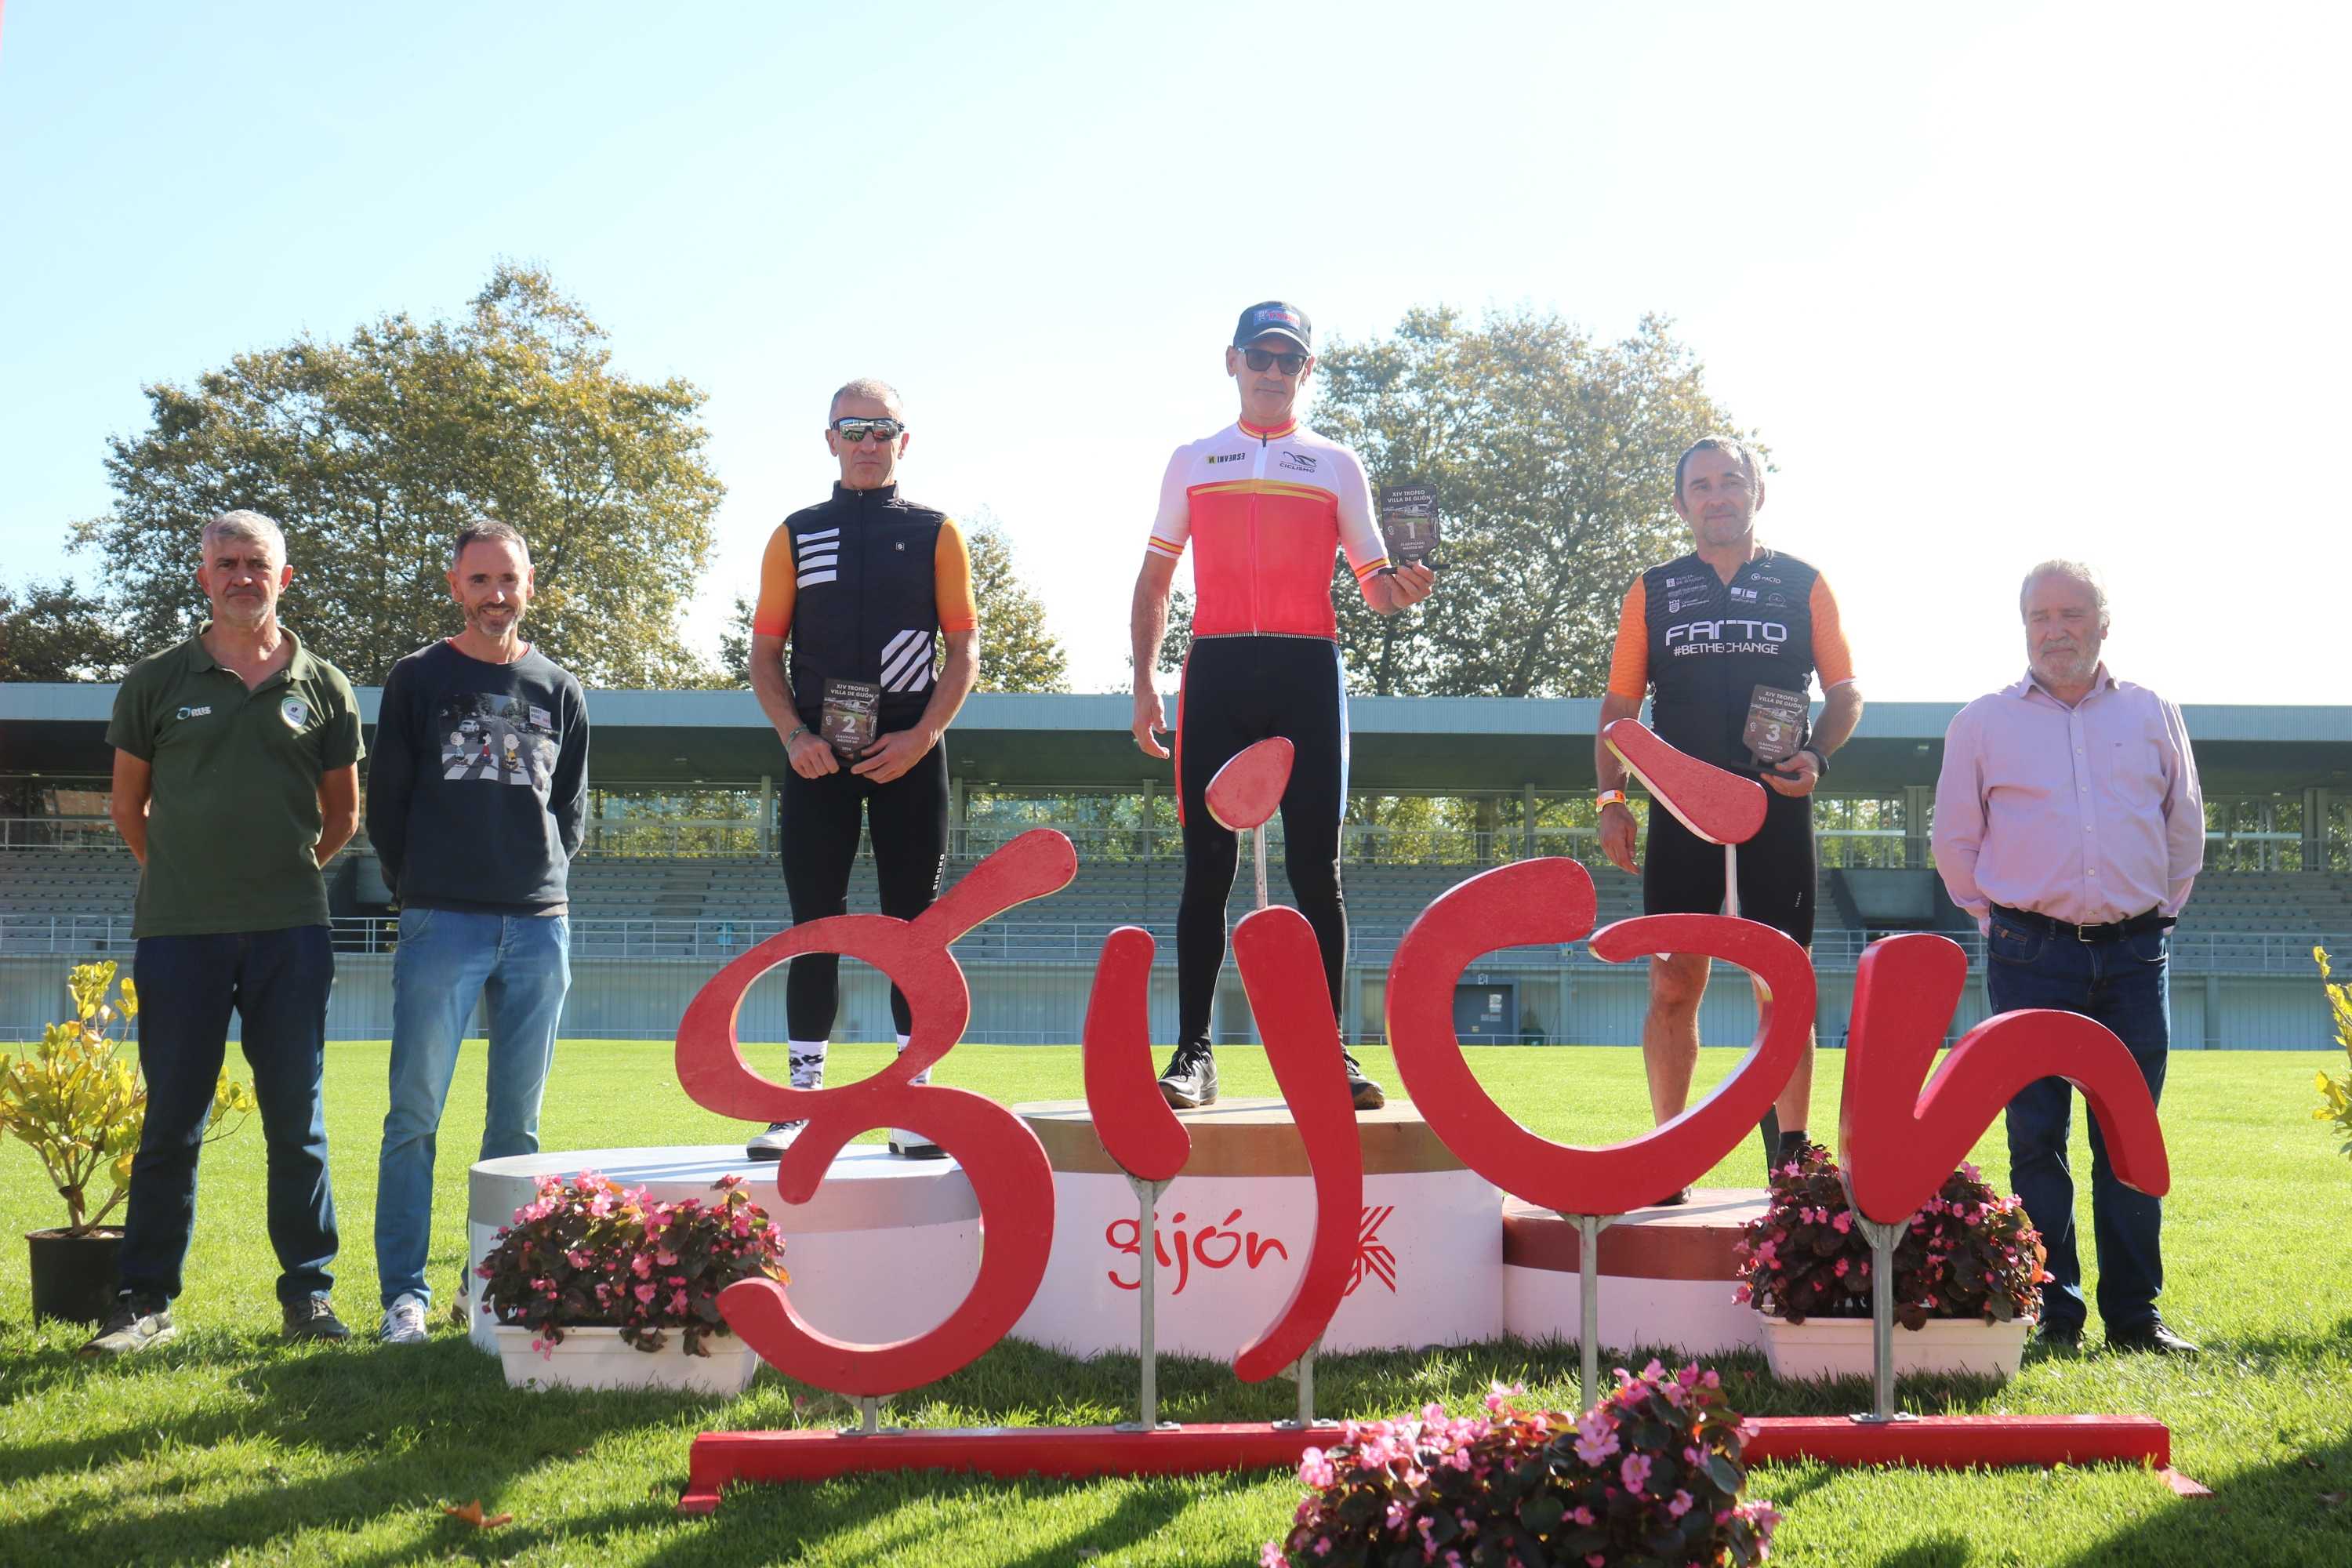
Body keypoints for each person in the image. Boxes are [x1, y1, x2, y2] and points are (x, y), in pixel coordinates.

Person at [1130, 302, 1436, 1111]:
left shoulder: (1336, 462)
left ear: (1307, 369)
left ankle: (1328, 1047)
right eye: (1260, 356)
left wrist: (1400, 591)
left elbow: (1373, 585)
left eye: (1288, 359)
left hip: (1307, 667)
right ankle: (1193, 1051)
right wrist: (1142, 680)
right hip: (1219, 664)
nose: (1272, 370)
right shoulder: (1193, 459)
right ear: (1232, 360)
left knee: (1315, 868)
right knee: (1207, 867)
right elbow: (1157, 578)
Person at [82, 510, 365, 1356]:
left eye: (258, 563)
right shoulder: (156, 680)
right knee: (170, 1118)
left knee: (297, 1121)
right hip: (180, 934)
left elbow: (343, 815)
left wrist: (283, 878)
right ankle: (144, 1299)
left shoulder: (326, 684)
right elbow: (128, 806)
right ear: (204, 576)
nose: (243, 575)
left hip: (291, 933)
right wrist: (182, 879)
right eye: (227, 562)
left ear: (286, 576)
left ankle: (308, 1294)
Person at [1932, 561, 2201, 1355]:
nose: (2057, 628)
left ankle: (2135, 1317)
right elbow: (1955, 843)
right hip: (2029, 955)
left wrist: (2154, 916)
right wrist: (2002, 919)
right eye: (2041, 614)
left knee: (2128, 1138)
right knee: (2035, 1137)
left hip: (2133, 958)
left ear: (2103, 622)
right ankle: (2054, 1309)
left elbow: (2183, 829)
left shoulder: (2152, 711)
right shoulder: (1982, 722)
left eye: (2073, 612)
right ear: (2024, 626)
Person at [1594, 437, 1863, 1192]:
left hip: (1776, 807)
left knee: (1783, 984)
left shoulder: (1802, 583)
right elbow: (1621, 707)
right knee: (1674, 983)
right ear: (1681, 504)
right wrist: (1613, 798)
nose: (1718, 496)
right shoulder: (1653, 589)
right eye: (1702, 486)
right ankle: (1670, 1152)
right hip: (1680, 812)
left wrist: (1815, 754)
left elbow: (1845, 693)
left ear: (1757, 494)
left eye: (1732, 482)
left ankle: (1792, 1160)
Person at [743, 377, 979, 1160]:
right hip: (817, 762)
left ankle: (915, 1096)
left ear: (904, 442)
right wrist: (793, 734)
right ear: (830, 439)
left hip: (909, 756)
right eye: (855, 429)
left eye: (884, 430)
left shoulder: (938, 531)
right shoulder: (794, 532)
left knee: (914, 931)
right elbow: (765, 652)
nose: (869, 442)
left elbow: (965, 649)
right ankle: (799, 1100)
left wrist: (920, 738)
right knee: (815, 927)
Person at [365, 521, 588, 1345]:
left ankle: (492, 1286)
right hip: (442, 919)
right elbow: (387, 801)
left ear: (530, 586)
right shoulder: (418, 678)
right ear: (456, 586)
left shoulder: (561, 687)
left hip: (539, 927)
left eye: (510, 580)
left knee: (516, 1129)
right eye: (481, 580)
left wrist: (539, 878)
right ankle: (405, 1297)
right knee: (414, 1114)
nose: (497, 594)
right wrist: (423, 886)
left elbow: (570, 808)